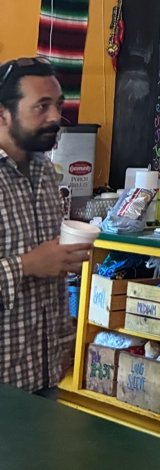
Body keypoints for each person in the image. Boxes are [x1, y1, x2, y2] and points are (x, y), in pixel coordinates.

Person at [0, 57, 90, 393]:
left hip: (43, 374)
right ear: (3, 113)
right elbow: (37, 263)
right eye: (42, 106)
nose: (55, 117)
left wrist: (65, 340)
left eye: (58, 105)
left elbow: (52, 276)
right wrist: (27, 265)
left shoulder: (45, 172)